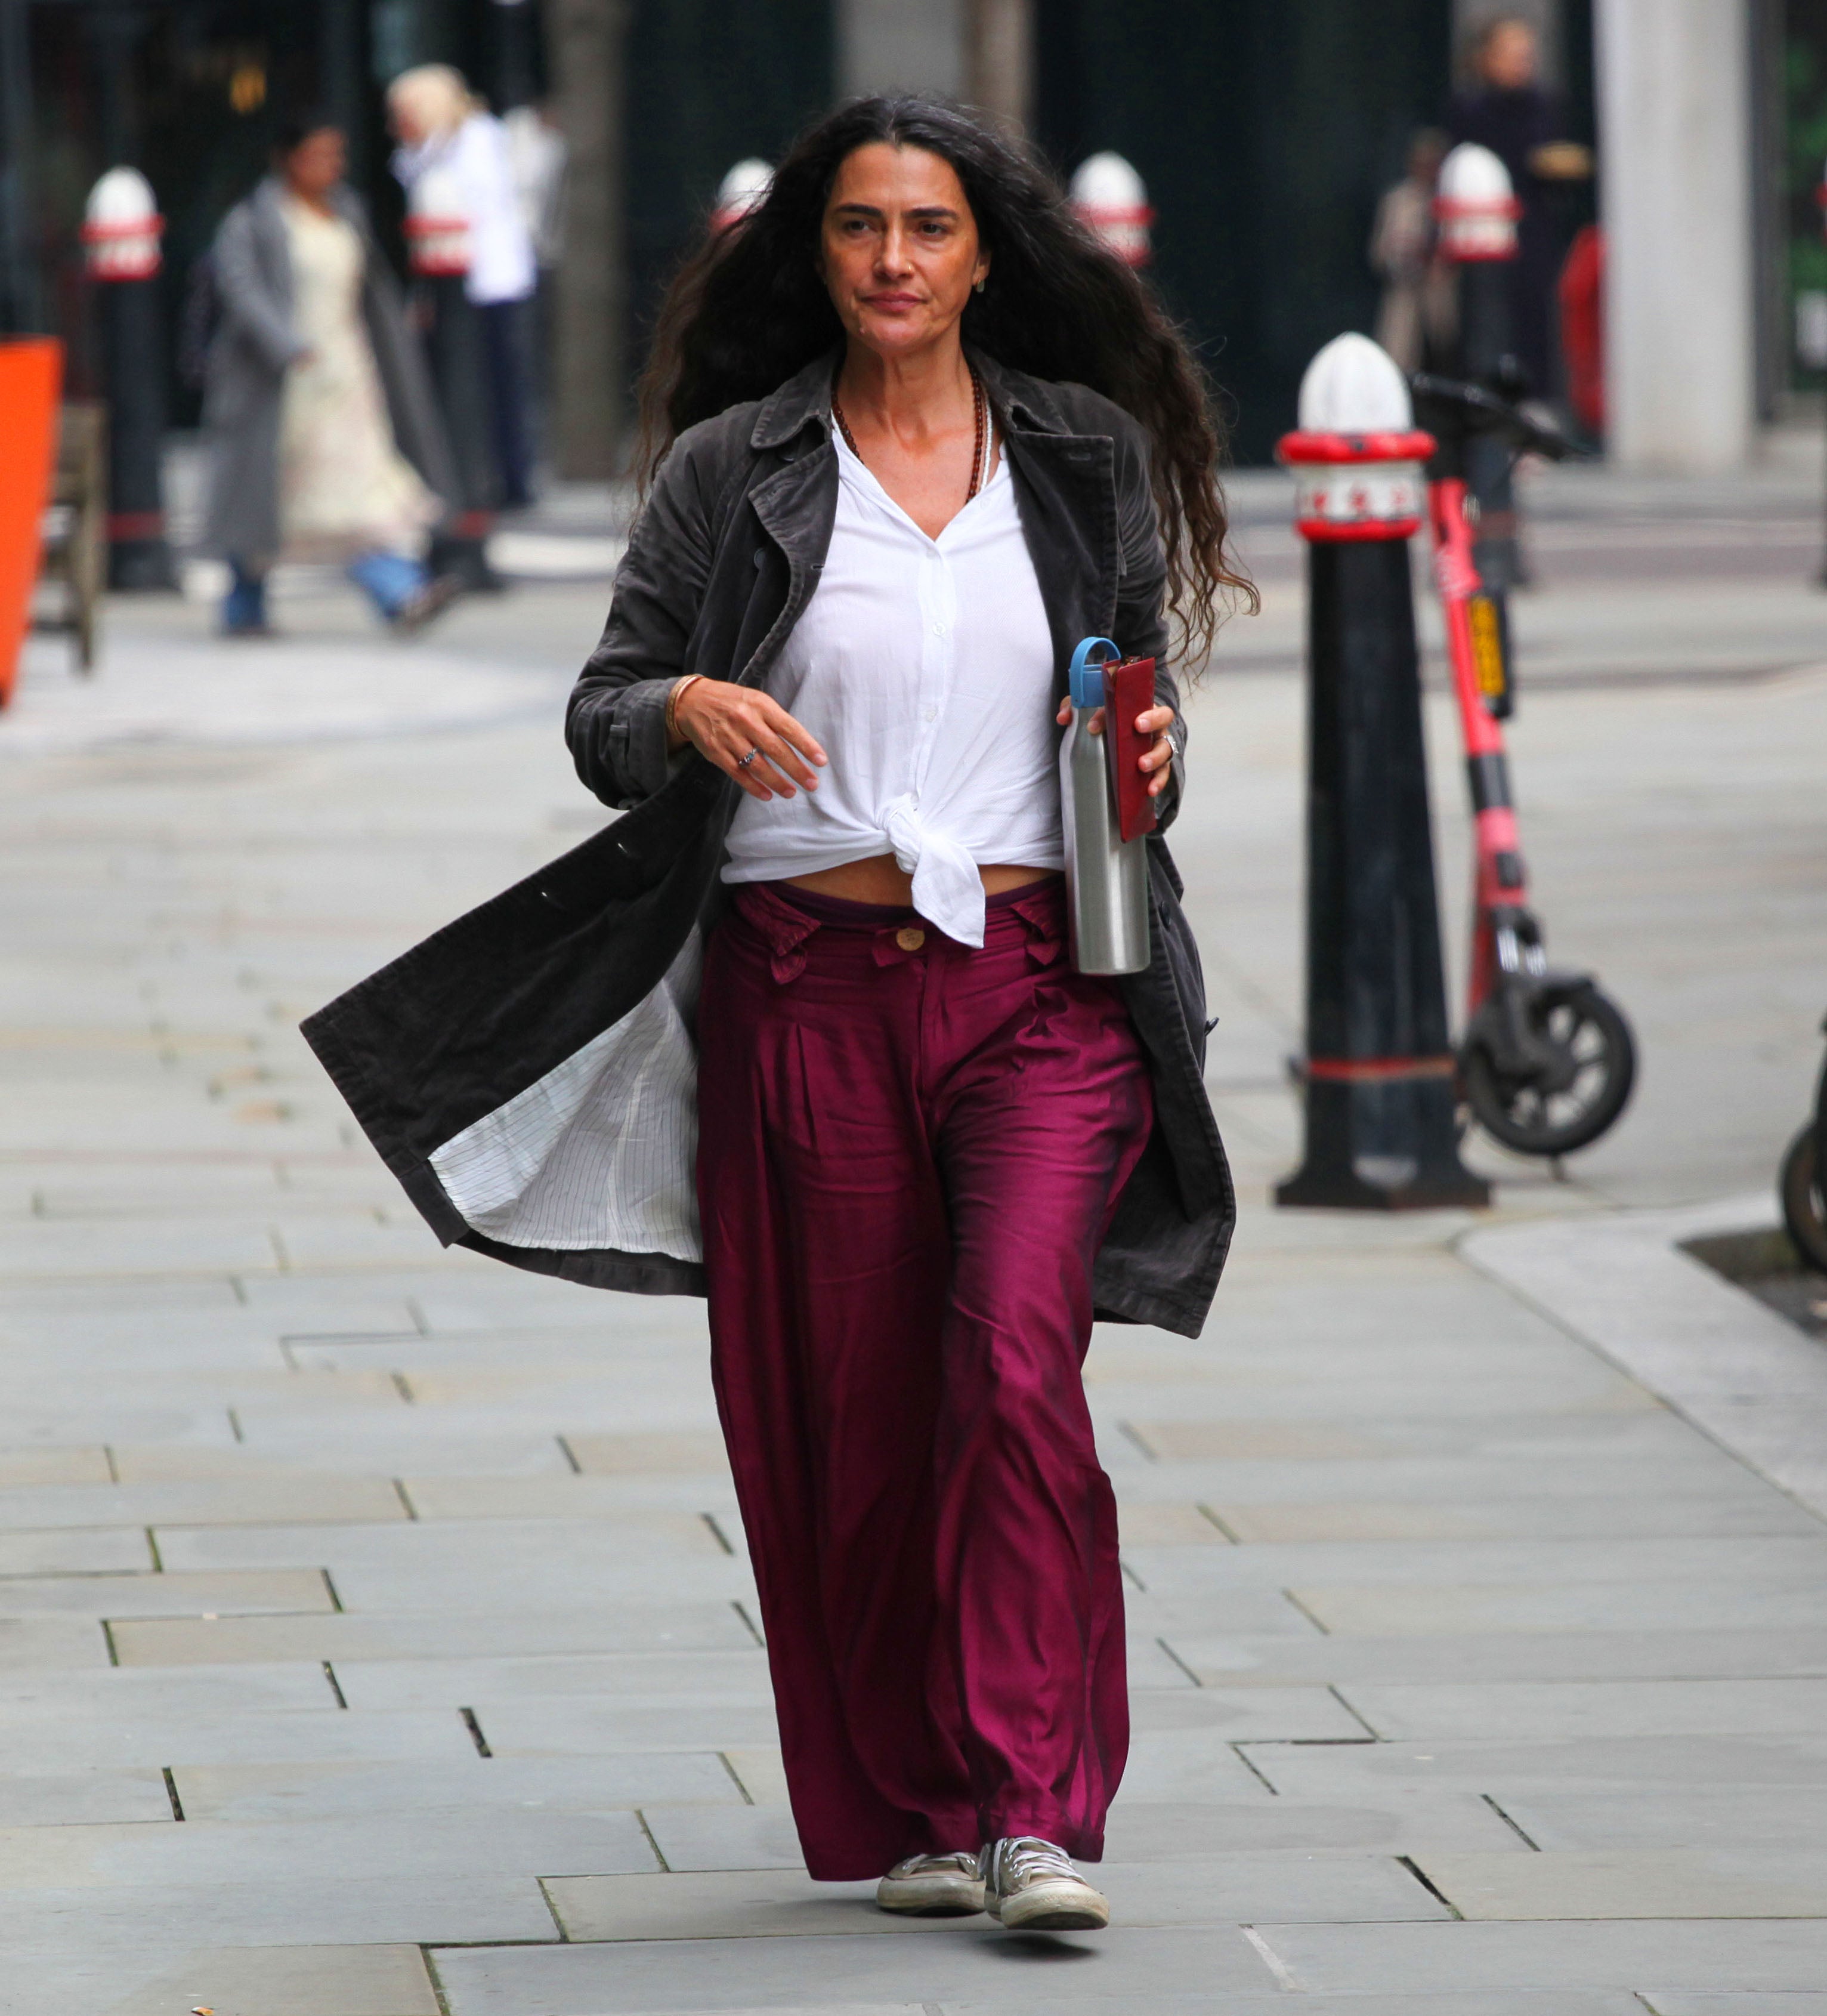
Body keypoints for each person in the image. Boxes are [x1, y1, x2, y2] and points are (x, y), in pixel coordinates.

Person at [301, 94, 1247, 1937]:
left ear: (987, 257)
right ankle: (917, 1794)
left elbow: (1133, 720)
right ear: (813, 252)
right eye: (860, 229)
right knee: (858, 1410)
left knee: (1010, 1364)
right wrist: (681, 714)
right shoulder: (736, 465)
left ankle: (1031, 1804)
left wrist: (1151, 744)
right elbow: (602, 708)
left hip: (1041, 982)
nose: (894, 262)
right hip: (803, 987)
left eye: (930, 230)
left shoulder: (1080, 457)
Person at [202, 113, 461, 637]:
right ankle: (244, 603)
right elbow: (241, 288)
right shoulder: (253, 219)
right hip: (279, 383)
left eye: (336, 156)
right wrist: (285, 346)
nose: (331, 167)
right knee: (270, 496)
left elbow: (369, 292)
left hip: (348, 378)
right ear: (287, 160)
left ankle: (400, 591)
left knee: (356, 491)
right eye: (318, 155)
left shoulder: (348, 211)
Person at [388, 66, 540, 510]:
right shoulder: (429, 148)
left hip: (490, 281)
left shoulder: (476, 139)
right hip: (458, 282)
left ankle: (510, 480)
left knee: (501, 384)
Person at [1447, 15, 1593, 394]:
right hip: (1483, 248)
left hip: (1534, 238)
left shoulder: (1545, 105)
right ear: (1485, 58)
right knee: (1487, 333)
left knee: (1537, 331)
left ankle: (1534, 408)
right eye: (1509, 54)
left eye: (1525, 55)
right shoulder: (1469, 111)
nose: (1519, 64)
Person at [1369, 128, 1454, 373]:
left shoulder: (1448, 201)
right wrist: (1403, 257)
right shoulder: (1397, 201)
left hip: (1439, 302)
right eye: (1421, 163)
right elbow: (1379, 254)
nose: (1426, 170)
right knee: (1399, 362)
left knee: (1443, 359)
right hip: (1404, 298)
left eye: (1432, 164)